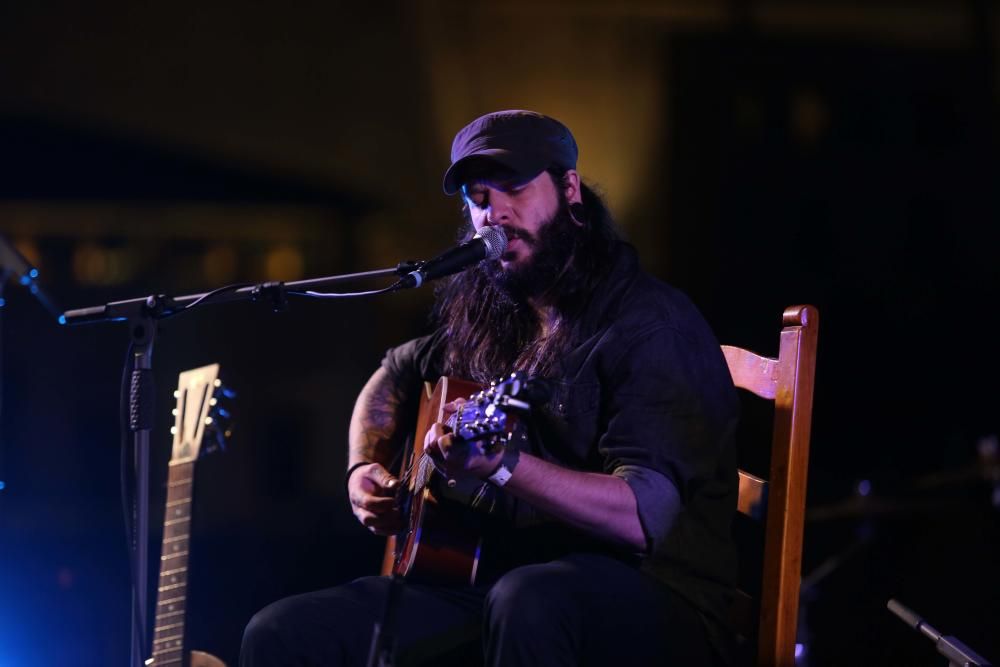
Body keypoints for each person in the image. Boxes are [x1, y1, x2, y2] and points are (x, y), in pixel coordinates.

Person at [241, 110, 740, 666]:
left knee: (528, 601)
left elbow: (644, 517)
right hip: (490, 581)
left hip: (653, 596)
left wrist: (502, 466)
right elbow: (394, 372)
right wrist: (364, 467)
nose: (494, 212)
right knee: (282, 632)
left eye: (515, 188)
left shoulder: (648, 325)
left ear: (569, 189)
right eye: (479, 197)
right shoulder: (495, 312)